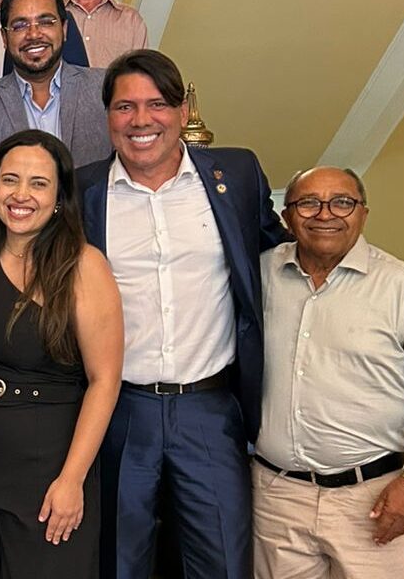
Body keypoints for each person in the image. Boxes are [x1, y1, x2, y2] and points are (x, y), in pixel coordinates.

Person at [73, 50, 288, 579]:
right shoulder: (82, 192)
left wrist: (376, 288)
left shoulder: (236, 175)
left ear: (182, 111)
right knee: (119, 561)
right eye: (125, 107)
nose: (141, 120)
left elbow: (285, 253)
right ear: (108, 117)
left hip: (209, 409)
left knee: (223, 561)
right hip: (121, 410)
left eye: (157, 104)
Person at [252, 167, 404, 579]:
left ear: (363, 213)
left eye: (342, 202)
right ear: (287, 217)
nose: (325, 214)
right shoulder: (260, 275)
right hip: (276, 499)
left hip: (372, 500)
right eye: (308, 203)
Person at [0, 130, 123, 578]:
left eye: (38, 183)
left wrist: (72, 480)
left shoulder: (84, 265)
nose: (20, 195)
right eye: (10, 180)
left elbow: (104, 381)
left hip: (50, 468)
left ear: (60, 197)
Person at [0, 0, 109, 166]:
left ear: (64, 29)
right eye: (20, 25)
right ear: (4, 38)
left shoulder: (105, 89)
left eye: (45, 22)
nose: (33, 34)